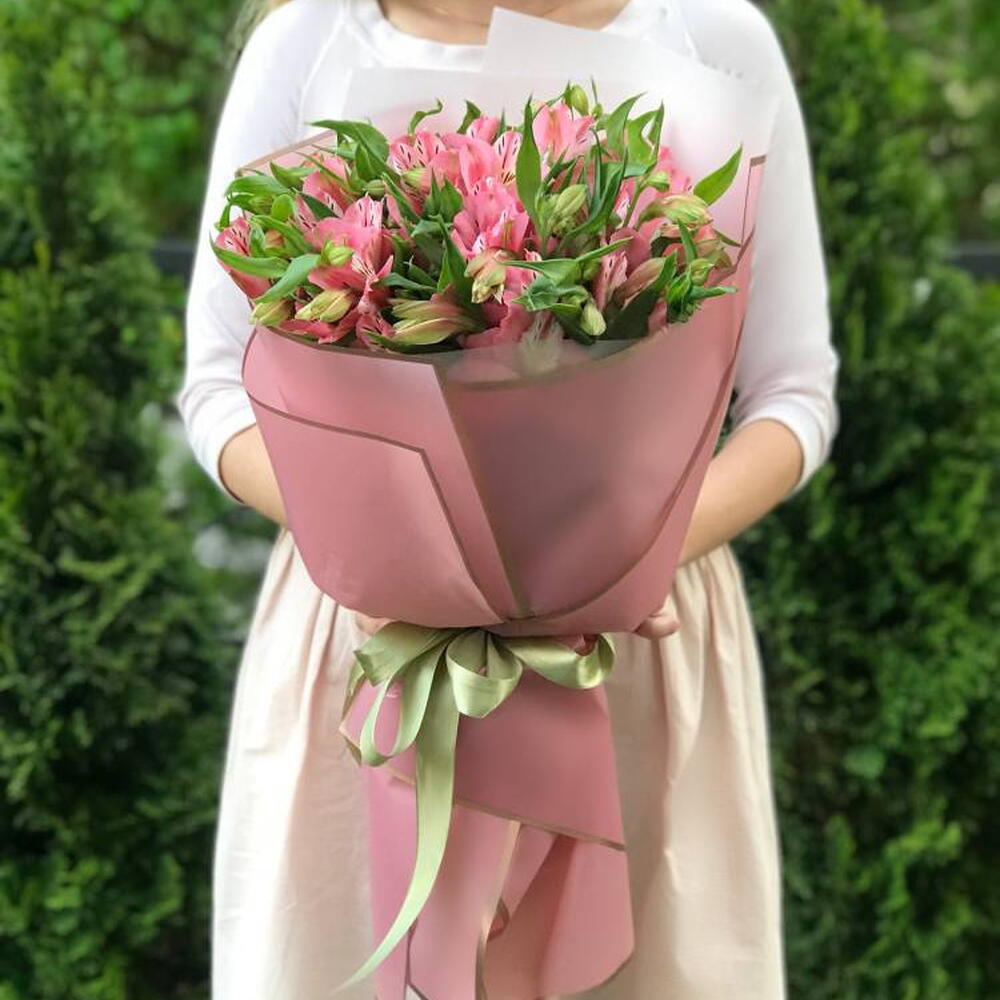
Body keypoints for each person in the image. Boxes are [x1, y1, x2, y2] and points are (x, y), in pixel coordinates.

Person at [176, 0, 839, 996]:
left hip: (628, 643)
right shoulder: (308, 38)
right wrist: (410, 562)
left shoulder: (711, 35)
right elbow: (217, 390)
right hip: (376, 643)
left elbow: (793, 397)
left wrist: (619, 566)